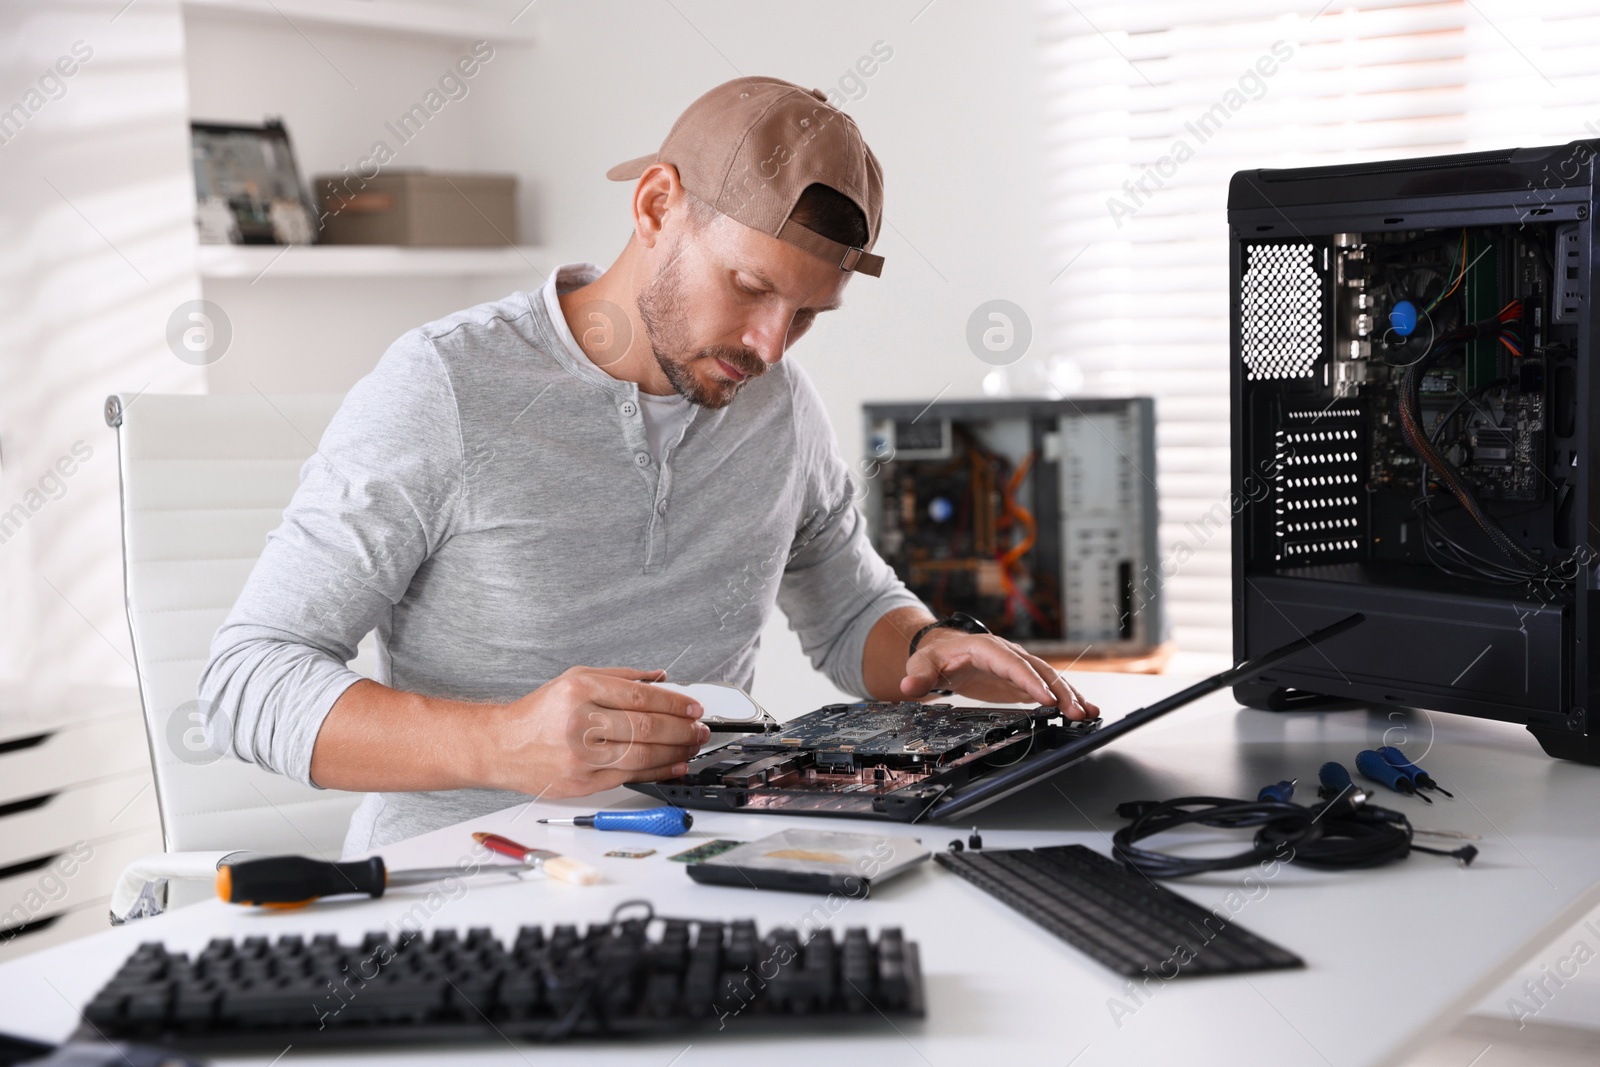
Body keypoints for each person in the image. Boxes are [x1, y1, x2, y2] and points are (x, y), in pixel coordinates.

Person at [200, 76, 1097, 855]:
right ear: (657, 205)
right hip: (468, 885)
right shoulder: (446, 388)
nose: (770, 345)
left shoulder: (780, 407)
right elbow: (247, 681)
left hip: (706, 868)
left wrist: (930, 645)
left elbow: (849, 603)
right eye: (750, 288)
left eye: (808, 313)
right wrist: (504, 743)